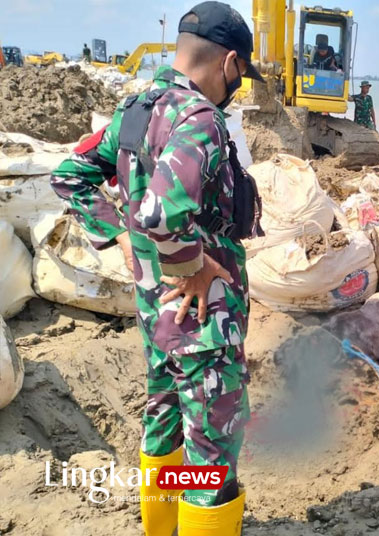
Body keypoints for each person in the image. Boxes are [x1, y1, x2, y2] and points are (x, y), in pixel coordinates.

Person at [50, 2, 265, 535]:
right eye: (241, 75)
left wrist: (119, 234)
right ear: (230, 62)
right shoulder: (200, 121)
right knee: (211, 461)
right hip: (202, 321)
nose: (238, 87)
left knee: (164, 426)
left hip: (156, 314)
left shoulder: (137, 109)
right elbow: (162, 214)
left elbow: (70, 174)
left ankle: (159, 529)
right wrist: (193, 265)